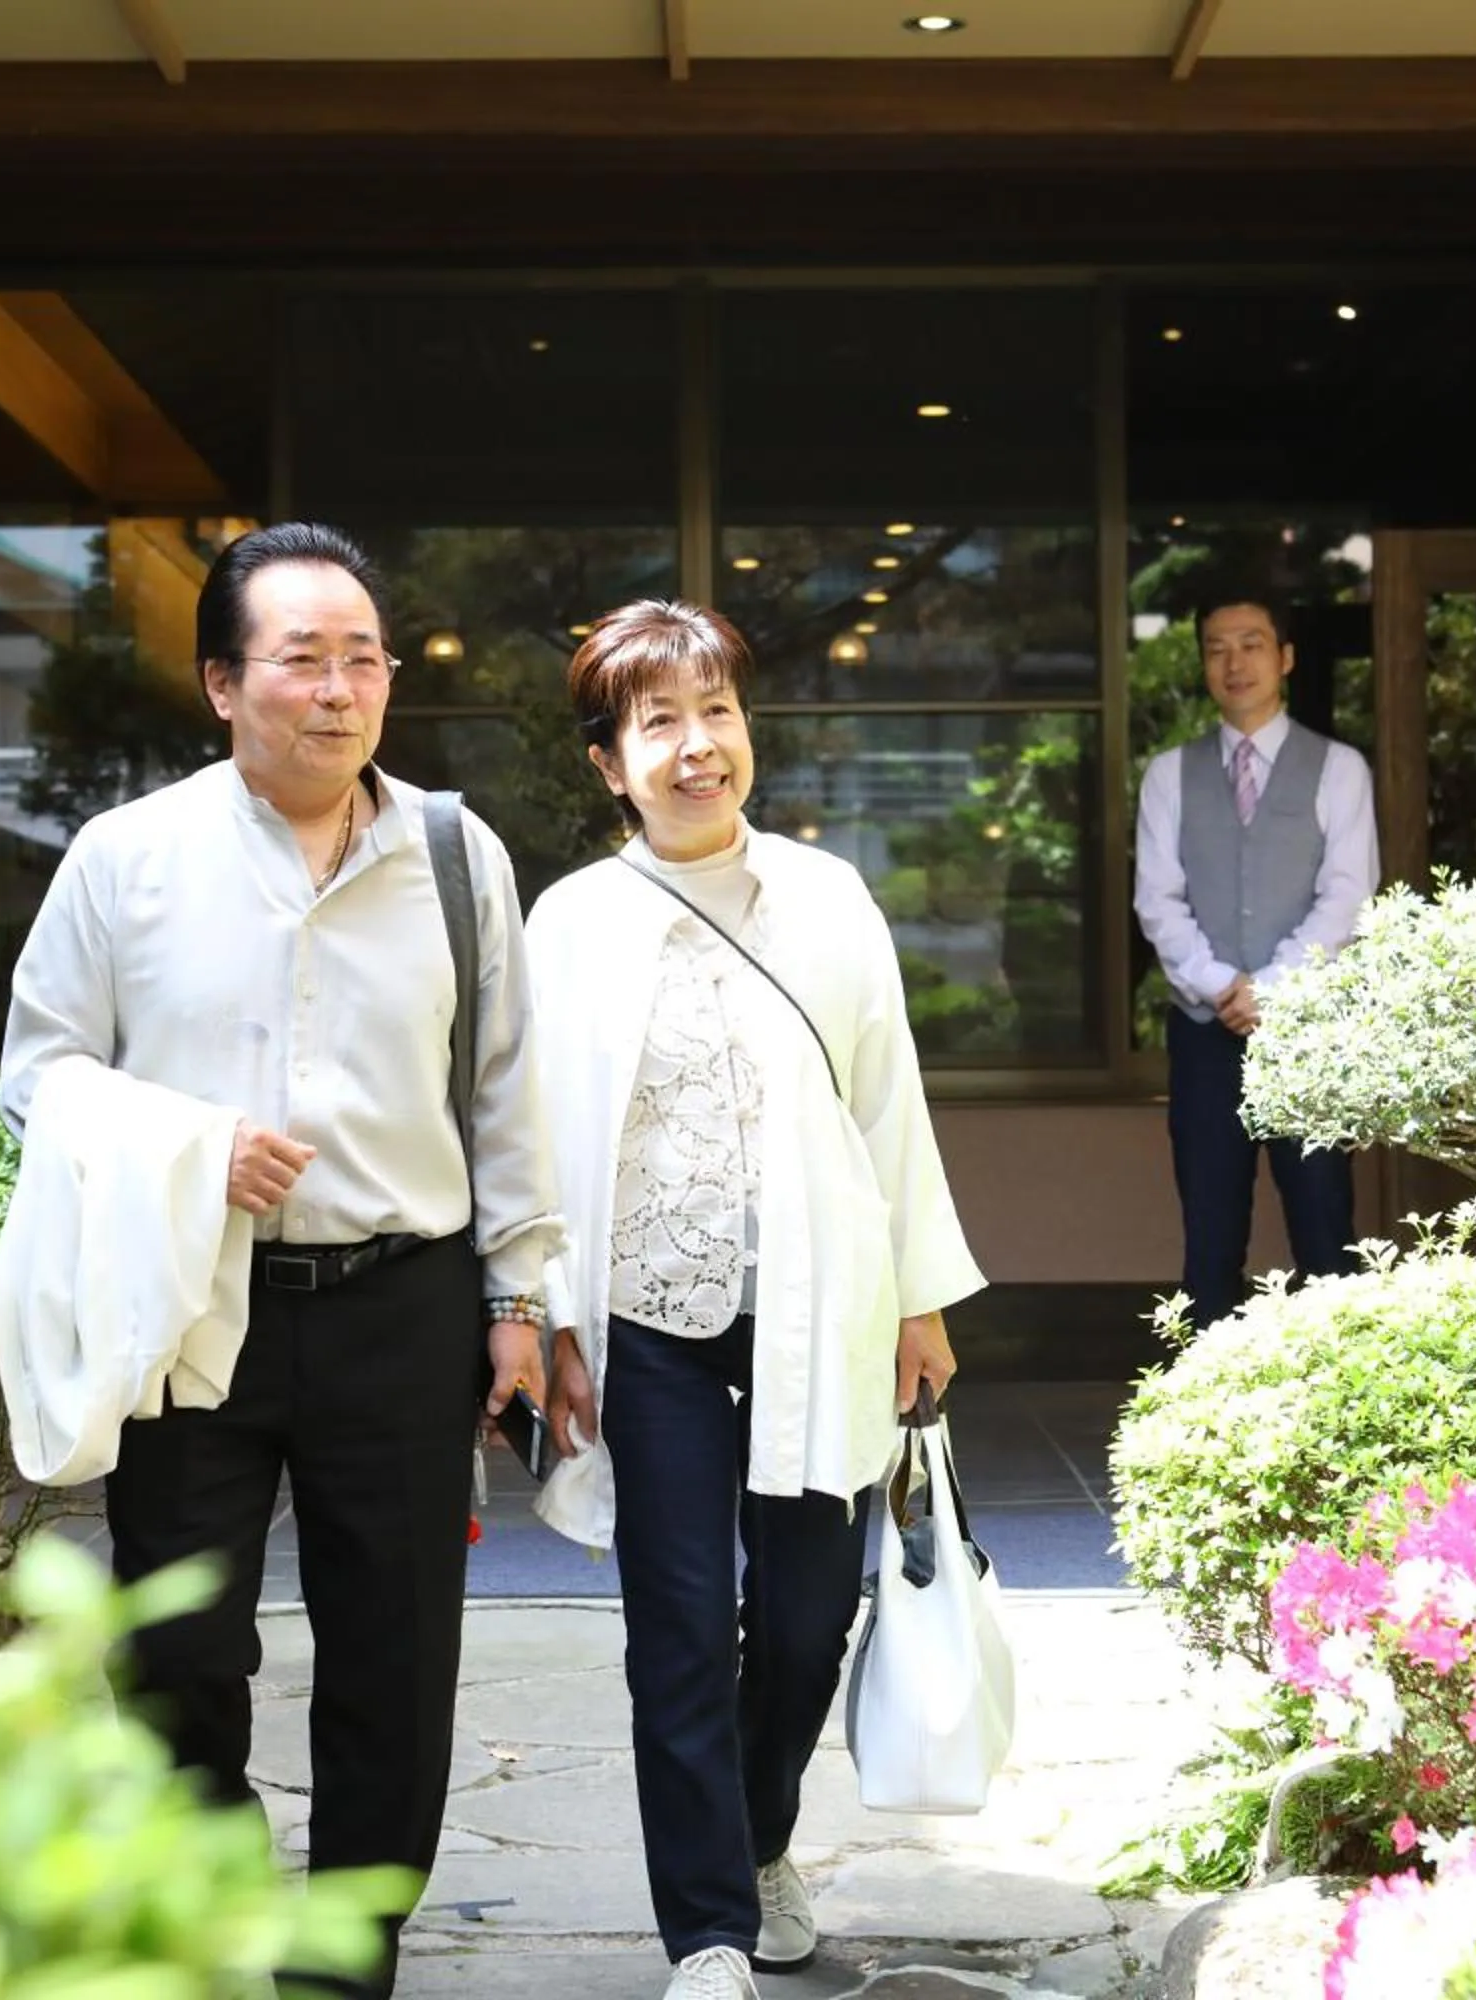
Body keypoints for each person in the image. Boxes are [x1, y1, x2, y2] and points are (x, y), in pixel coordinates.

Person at [0, 521, 563, 1998]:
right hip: (197, 1300)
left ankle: (344, 1961)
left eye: (363, 658)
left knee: (395, 1657)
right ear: (221, 683)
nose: (340, 689)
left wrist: (518, 1301)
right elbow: (37, 1074)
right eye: (301, 659)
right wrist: (188, 1145)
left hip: (404, 1306)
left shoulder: (454, 850)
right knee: (179, 1646)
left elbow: (506, 1087)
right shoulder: (127, 861)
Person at [521, 600, 984, 2000]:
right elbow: (531, 1139)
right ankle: (709, 1931)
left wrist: (920, 1298)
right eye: (658, 722)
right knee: (674, 1626)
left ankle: (762, 1833)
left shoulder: (829, 898)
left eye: (714, 712)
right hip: (647, 1321)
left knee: (800, 1619)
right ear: (611, 763)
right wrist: (544, 1318)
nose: (695, 745)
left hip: (818, 1311)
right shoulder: (574, 923)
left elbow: (888, 1102)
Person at [1131, 594, 1377, 1326]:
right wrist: (1220, 986)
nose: (1234, 663)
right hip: (1205, 1032)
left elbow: (1348, 898)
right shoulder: (1168, 775)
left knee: (1325, 1230)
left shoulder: (1339, 769)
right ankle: (1208, 1413)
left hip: (1308, 1034)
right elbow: (1158, 901)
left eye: (1252, 644)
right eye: (1216, 648)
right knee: (1210, 1236)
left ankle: (1340, 1408)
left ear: (1286, 658)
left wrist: (1270, 990)